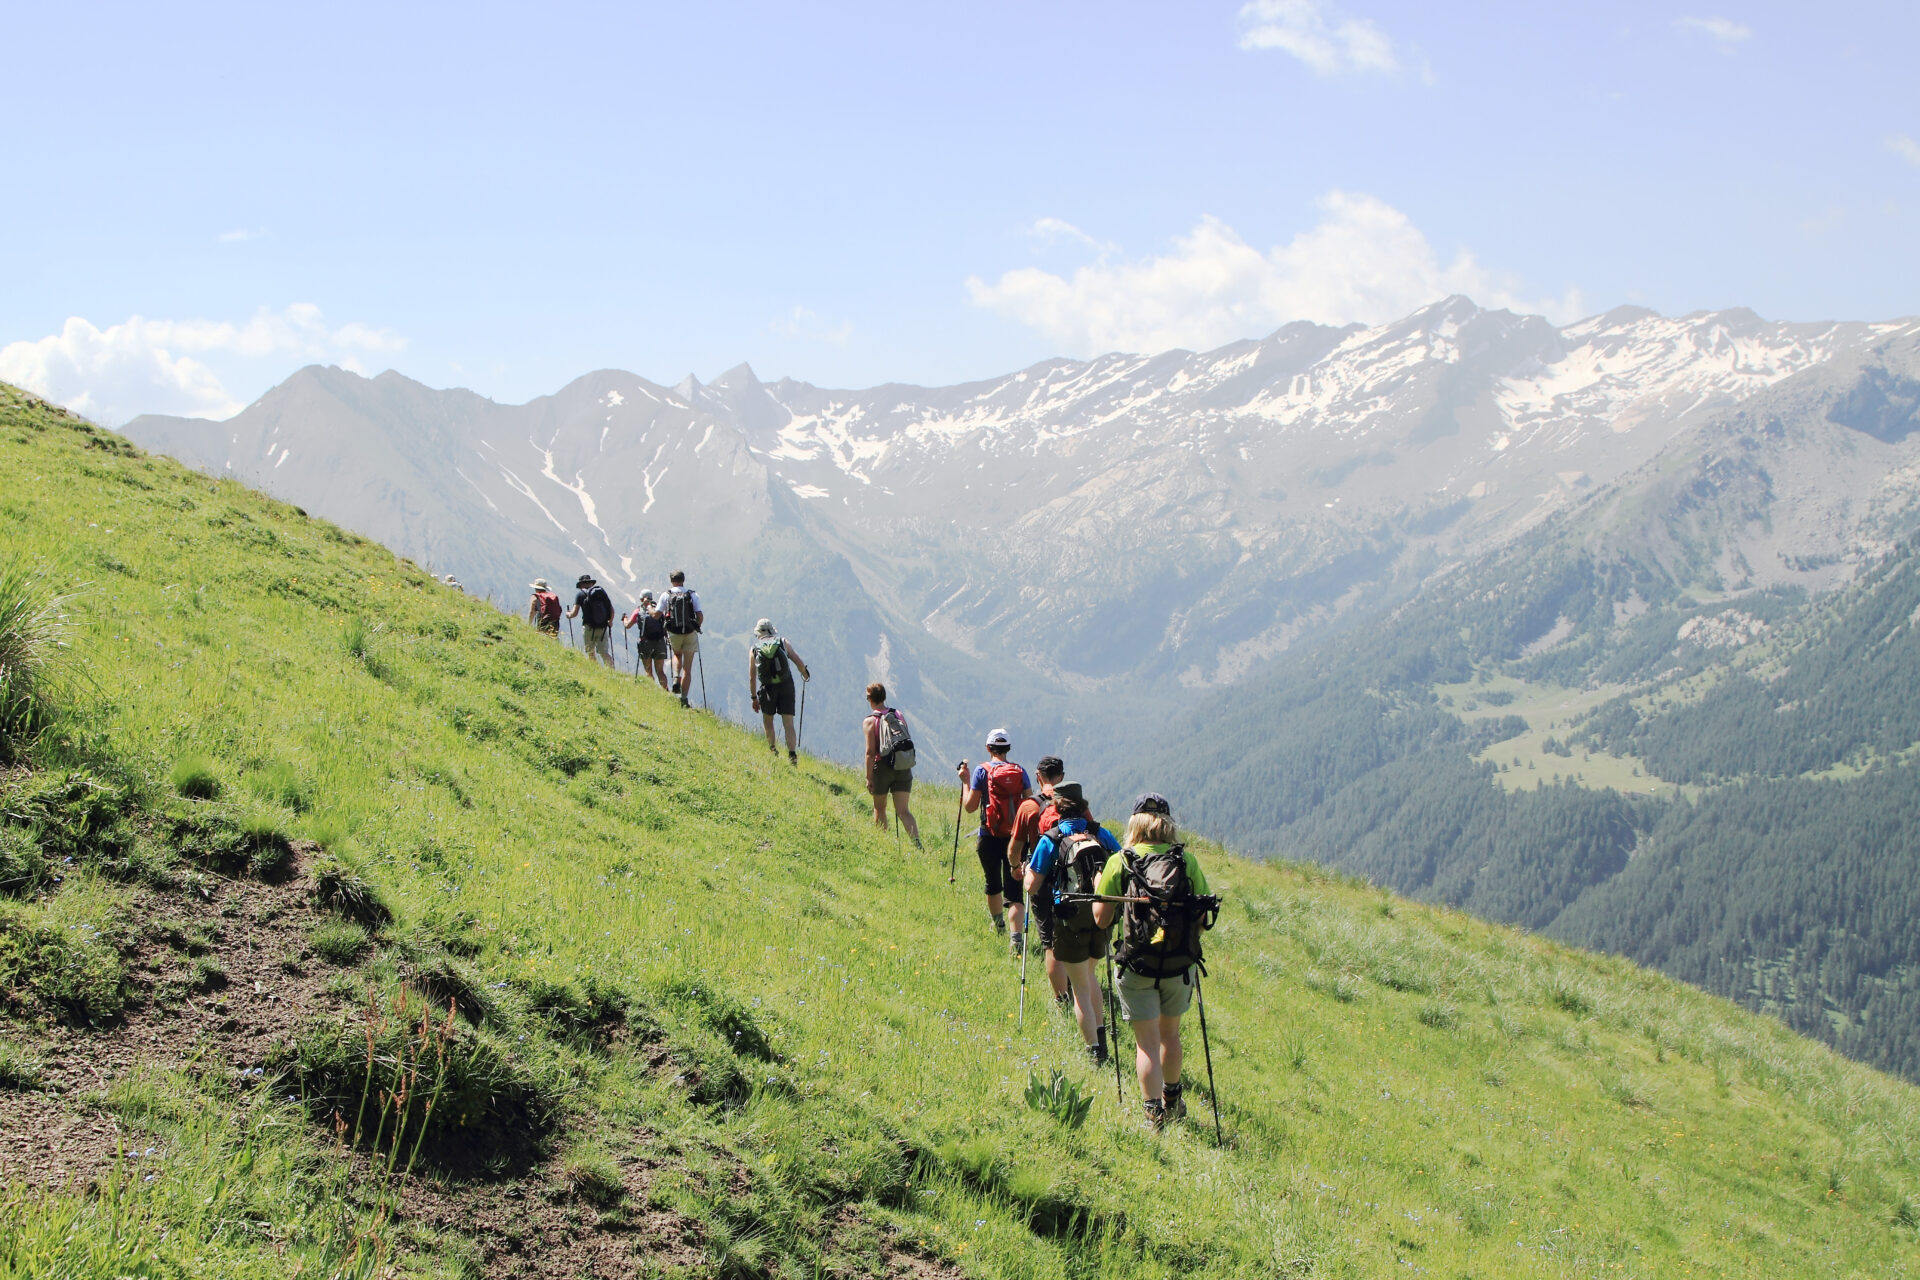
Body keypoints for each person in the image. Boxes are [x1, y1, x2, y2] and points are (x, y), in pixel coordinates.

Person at [1091, 793, 1218, 1131]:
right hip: (1179, 965)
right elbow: (1204, 919)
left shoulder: (1122, 860)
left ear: (1135, 823)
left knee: (1145, 1042)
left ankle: (1152, 1116)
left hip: (1137, 965)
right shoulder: (1186, 862)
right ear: (1167, 824)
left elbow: (1101, 921)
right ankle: (1173, 1100)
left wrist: (1097, 888)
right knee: (1170, 1036)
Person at [1023, 781, 1121, 1066]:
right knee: (1091, 977)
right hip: (1101, 917)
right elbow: (1121, 863)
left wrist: (1027, 869)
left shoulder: (1051, 839)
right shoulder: (1100, 834)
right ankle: (1102, 1038)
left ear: (1056, 807)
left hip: (1069, 919)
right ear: (1083, 806)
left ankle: (1095, 1053)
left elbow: (1031, 886)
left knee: (1079, 986)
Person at [956, 730, 1030, 947]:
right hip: (1015, 839)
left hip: (988, 836)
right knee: (1015, 891)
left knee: (993, 883)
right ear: (1008, 749)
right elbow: (1029, 805)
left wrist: (965, 781)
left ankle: (998, 926)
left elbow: (970, 807)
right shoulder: (1020, 771)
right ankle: (1016, 939)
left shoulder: (981, 771)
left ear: (988, 748)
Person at [1009, 756, 1068, 1004]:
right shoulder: (1074, 804)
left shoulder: (1029, 807)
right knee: (1071, 934)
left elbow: (1015, 846)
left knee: (1051, 943)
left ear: (1038, 776)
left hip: (1042, 878)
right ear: (1061, 777)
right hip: (1074, 880)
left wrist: (1015, 867)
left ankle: (1062, 1000)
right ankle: (1079, 986)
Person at [862, 683, 922, 849]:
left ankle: (881, 845)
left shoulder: (870, 721)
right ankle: (917, 844)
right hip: (902, 766)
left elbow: (870, 752)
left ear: (870, 700)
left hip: (882, 768)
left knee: (879, 808)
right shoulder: (898, 714)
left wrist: (868, 777)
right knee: (903, 811)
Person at [748, 618, 811, 764]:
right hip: (786, 685)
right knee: (788, 723)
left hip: (767, 688)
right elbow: (797, 661)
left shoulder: (754, 649)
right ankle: (792, 755)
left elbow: (752, 677)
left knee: (768, 721)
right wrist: (805, 674)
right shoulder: (782, 642)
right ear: (771, 630)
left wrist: (753, 698)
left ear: (758, 633)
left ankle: (772, 750)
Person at [660, 570, 703, 707]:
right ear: (683, 580)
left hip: (674, 632)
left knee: (677, 655)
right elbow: (700, 615)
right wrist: (696, 626)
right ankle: (684, 699)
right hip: (690, 632)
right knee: (688, 669)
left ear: (671, 581)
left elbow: (657, 614)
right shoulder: (692, 595)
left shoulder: (666, 595)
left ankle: (676, 678)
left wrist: (649, 607)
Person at [567, 574, 617, 669]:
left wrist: (568, 614)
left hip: (588, 627)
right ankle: (612, 672)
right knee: (604, 652)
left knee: (590, 651)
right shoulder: (601, 593)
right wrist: (610, 621)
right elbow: (611, 610)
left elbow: (574, 613)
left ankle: (595, 670)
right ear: (591, 583)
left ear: (581, 584)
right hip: (603, 627)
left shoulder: (580, 594)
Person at [624, 592, 671, 690]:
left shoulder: (638, 611)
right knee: (660, 671)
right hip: (659, 643)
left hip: (645, 643)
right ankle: (665, 691)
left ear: (642, 599)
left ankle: (652, 691)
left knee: (648, 670)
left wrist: (624, 618)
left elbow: (627, 625)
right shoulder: (659, 610)